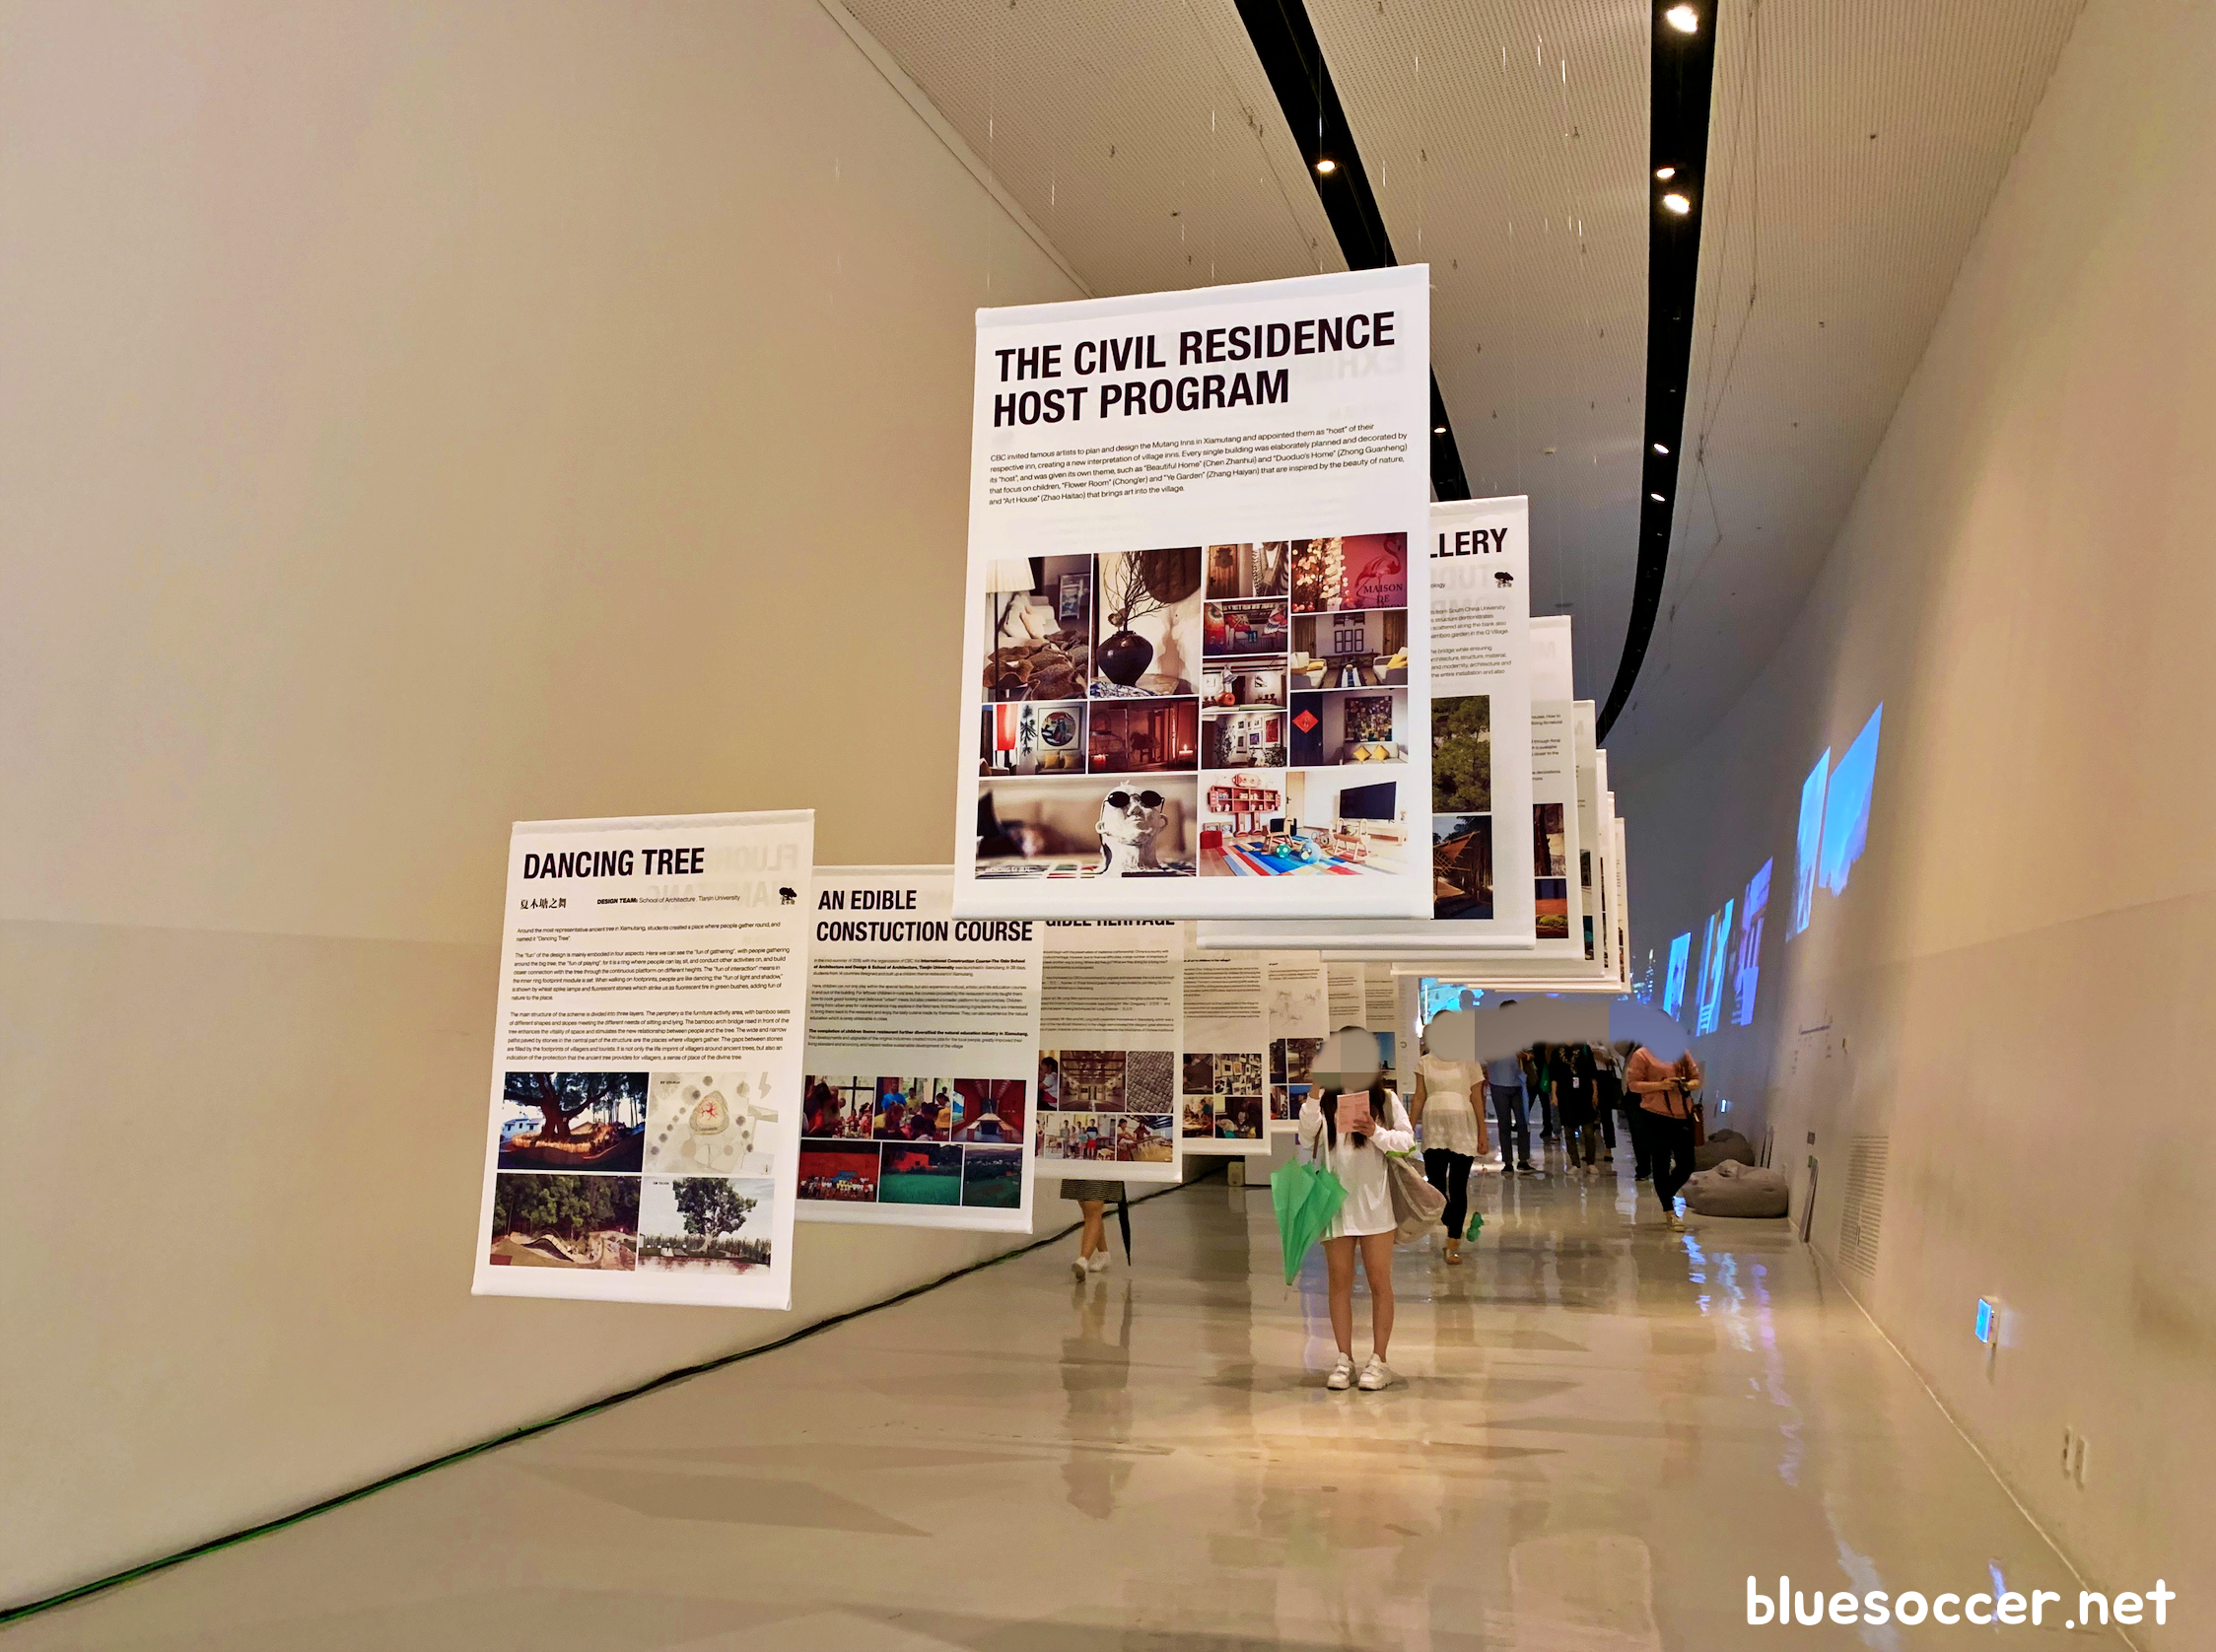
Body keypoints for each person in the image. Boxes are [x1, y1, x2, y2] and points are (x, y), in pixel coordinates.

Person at [1298, 1080, 1416, 1390]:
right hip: (1335, 1205)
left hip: (1376, 1206)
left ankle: (1379, 1360)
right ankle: (1343, 1358)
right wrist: (1314, 1091)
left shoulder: (1385, 1099)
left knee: (1379, 1282)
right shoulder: (1325, 1100)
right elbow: (1306, 1135)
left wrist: (1375, 1131)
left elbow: (1407, 1142)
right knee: (1339, 1281)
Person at [1411, 1034, 1488, 1264]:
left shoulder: (1469, 1061)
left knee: (1458, 1185)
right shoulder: (1425, 1062)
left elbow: (1477, 1098)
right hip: (1434, 1127)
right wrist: (1408, 1127)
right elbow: (1419, 1096)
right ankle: (1453, 1220)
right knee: (1435, 1184)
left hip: (1463, 1127)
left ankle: (1453, 1241)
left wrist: (1482, 1132)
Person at [1627, 1046, 1704, 1227]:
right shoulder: (1643, 1054)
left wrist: (1686, 1085)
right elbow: (1633, 1085)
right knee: (1661, 1163)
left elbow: (1696, 1079)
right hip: (1655, 1116)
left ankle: (1665, 1194)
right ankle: (1669, 1210)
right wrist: (1661, 1085)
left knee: (1687, 1165)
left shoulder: (1682, 1052)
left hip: (1683, 1114)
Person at [1482, 1015, 1535, 1175]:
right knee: (1504, 1124)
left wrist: (1523, 1056)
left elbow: (1531, 1054)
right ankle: (1508, 1162)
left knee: (1523, 1123)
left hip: (1518, 1084)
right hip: (1498, 1084)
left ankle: (1523, 1160)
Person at [1060, 1177, 1122, 1278]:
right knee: (1087, 1207)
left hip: (1101, 1169)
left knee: (1092, 1205)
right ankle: (1103, 1253)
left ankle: (1084, 1259)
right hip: (1081, 1168)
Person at [1556, 1043, 1600, 1173]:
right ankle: (1575, 1163)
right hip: (1565, 1095)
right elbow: (1554, 1074)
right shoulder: (1558, 1051)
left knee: (1588, 1131)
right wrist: (1553, 1094)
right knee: (1569, 1131)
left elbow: (1592, 1072)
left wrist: (1595, 1092)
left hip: (1584, 1094)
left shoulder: (1584, 1048)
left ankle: (1591, 1162)